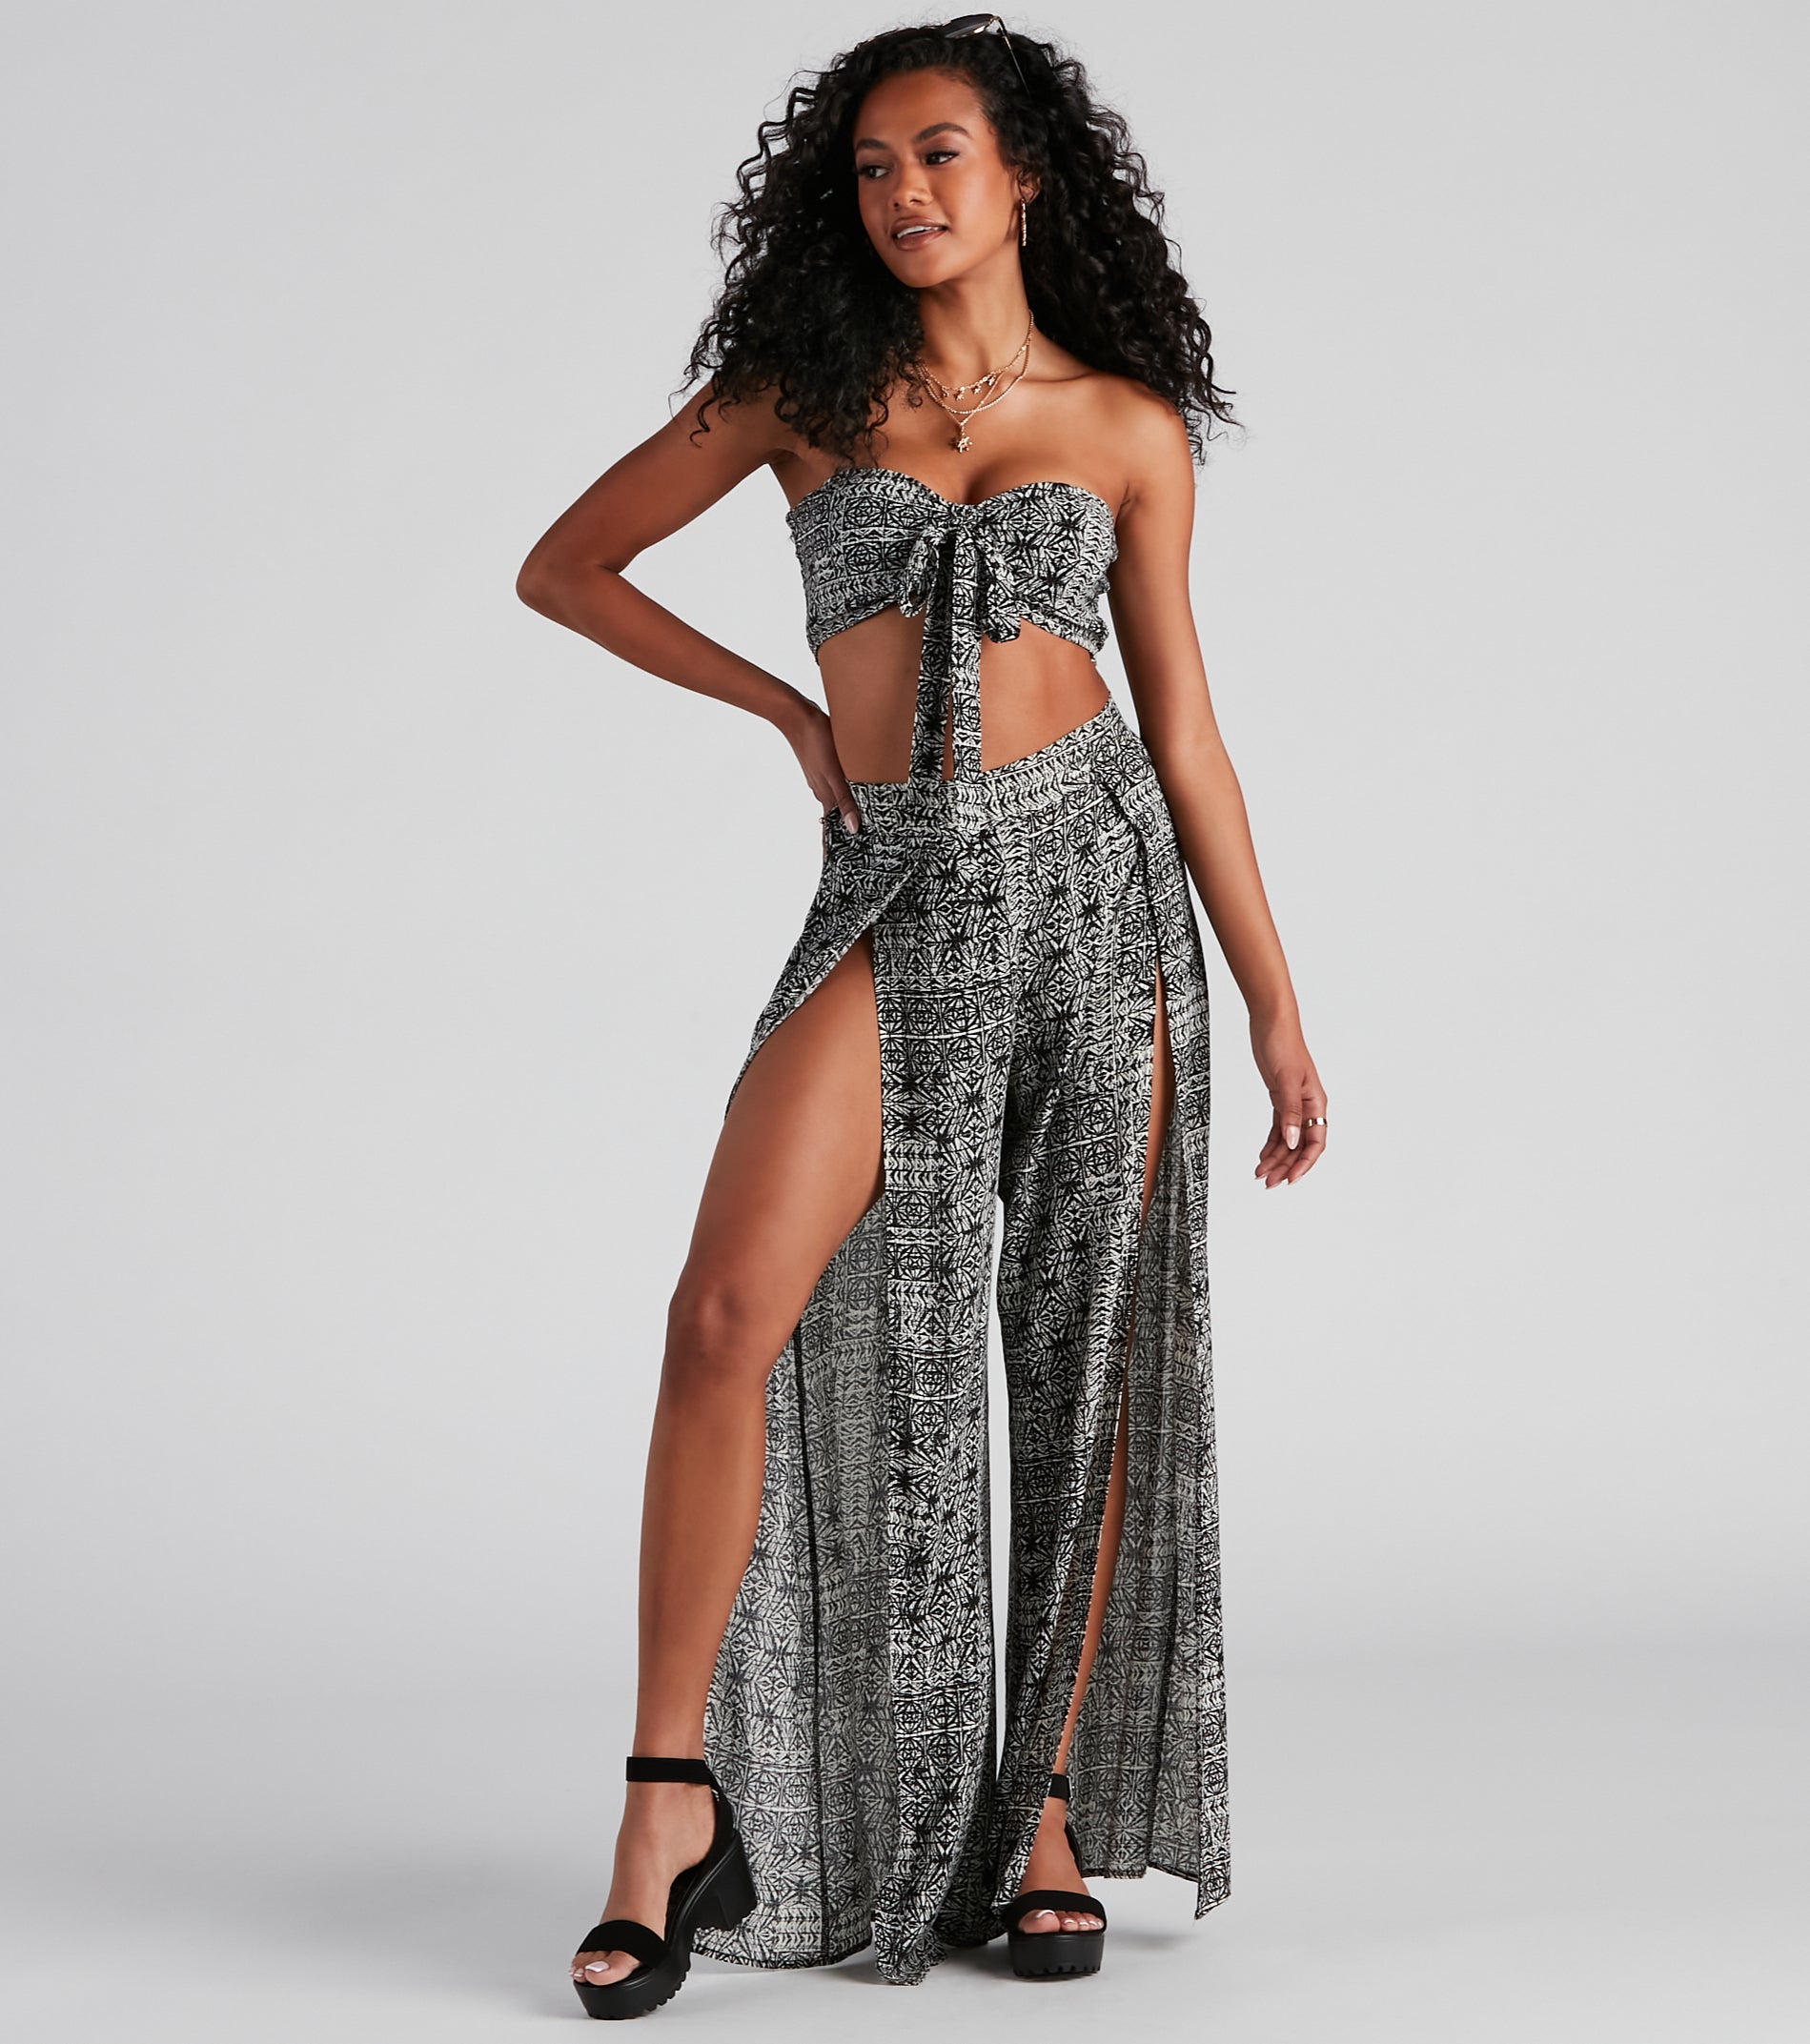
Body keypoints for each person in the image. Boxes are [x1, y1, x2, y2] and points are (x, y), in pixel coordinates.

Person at [517, 14, 1327, 2017]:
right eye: (872, 166)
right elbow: (567, 565)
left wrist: (1275, 1003)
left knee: (1082, 1344)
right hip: (901, 881)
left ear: (1025, 174)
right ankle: (668, 1807)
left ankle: (1035, 1805)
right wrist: (789, 712)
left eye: (939, 154)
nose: (902, 194)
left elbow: (1188, 733)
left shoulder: (1126, 427)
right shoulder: (801, 392)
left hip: (1100, 884)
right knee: (726, 1311)